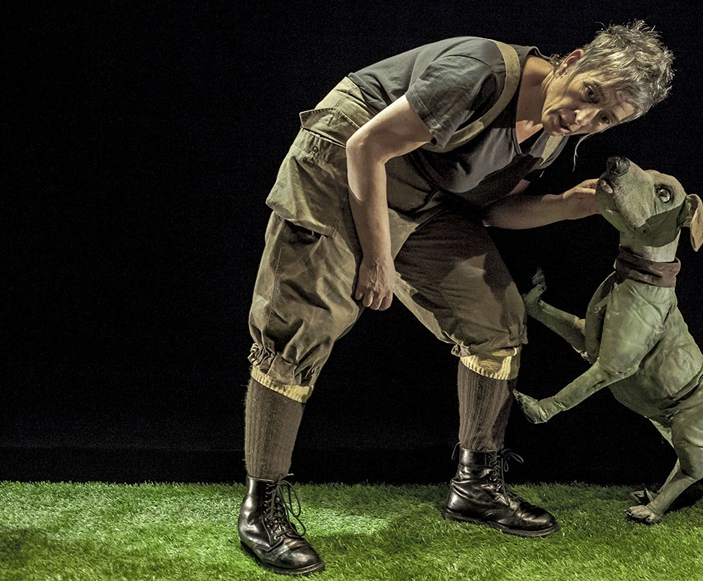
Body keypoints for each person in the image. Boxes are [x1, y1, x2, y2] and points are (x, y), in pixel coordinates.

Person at [238, 21, 674, 575]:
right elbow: (367, 145)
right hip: (341, 162)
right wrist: (378, 259)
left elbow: (492, 211)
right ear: (574, 61)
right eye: (590, 94)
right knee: (302, 326)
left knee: (495, 321)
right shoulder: (481, 72)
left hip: (419, 196)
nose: (584, 117)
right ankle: (263, 507)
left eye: (606, 117)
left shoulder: (552, 133)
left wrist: (568, 204)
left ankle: (475, 486)